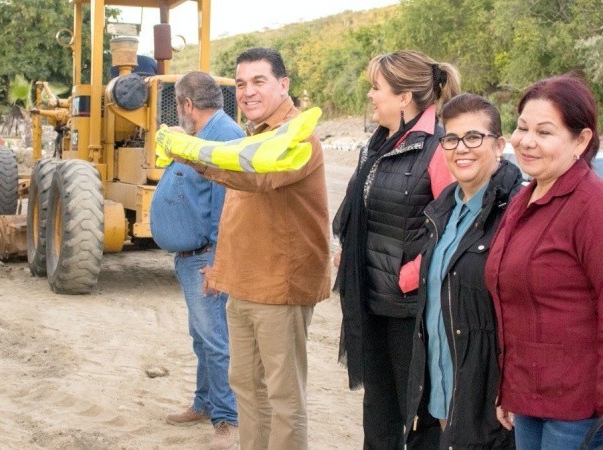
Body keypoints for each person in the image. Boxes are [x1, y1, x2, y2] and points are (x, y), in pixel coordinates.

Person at [173, 47, 331, 449]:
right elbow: (239, 213)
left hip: (280, 284)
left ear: (284, 85)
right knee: (246, 387)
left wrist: (192, 154)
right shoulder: (254, 135)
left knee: (282, 396)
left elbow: (257, 180)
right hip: (245, 284)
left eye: (259, 81)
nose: (247, 92)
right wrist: (221, 268)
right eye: (241, 84)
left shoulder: (297, 136)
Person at [333, 50, 459, 449]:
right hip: (373, 301)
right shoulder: (378, 144)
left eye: (377, 88)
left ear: (404, 97)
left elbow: (455, 228)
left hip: (412, 310)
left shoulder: (440, 148)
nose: (371, 96)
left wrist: (409, 277)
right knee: (379, 413)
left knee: (418, 420)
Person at [485, 74, 603, 450]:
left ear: (582, 140)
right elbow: (515, 305)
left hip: (580, 409)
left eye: (544, 132)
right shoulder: (526, 199)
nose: (526, 141)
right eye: (522, 127)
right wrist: (507, 388)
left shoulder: (595, 206)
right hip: (530, 399)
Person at [405, 93, 522, 449]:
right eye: (451, 139)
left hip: (488, 404)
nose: (461, 148)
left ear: (499, 144)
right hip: (438, 398)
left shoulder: (517, 213)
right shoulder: (442, 211)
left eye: (474, 137)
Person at [150, 71, 244, 450]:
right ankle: (204, 404)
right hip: (193, 257)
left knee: (216, 340)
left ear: (187, 105)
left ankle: (227, 419)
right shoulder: (204, 135)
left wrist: (218, 262)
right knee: (203, 338)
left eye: (181, 106)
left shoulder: (224, 136)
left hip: (205, 256)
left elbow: (229, 207)